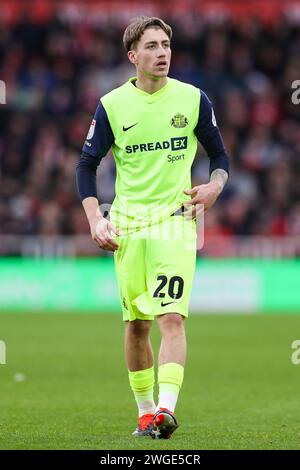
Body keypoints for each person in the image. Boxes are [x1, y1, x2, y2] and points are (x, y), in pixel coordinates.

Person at [76, 16, 229, 439]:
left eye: (166, 45)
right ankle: (145, 413)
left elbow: (220, 157)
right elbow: (87, 165)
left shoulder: (193, 99)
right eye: (152, 46)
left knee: (172, 318)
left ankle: (166, 409)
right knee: (136, 324)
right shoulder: (111, 105)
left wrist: (215, 188)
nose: (162, 53)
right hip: (127, 227)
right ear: (133, 56)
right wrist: (95, 219)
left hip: (175, 224)